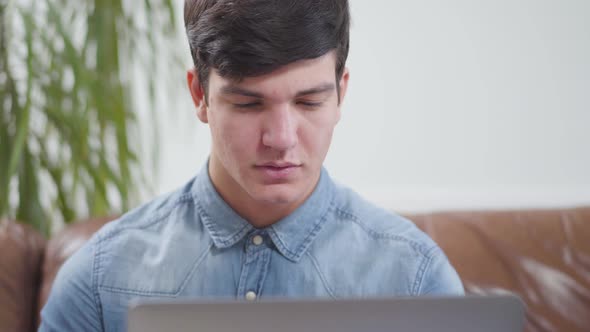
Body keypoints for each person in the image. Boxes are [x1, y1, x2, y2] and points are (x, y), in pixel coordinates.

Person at [39, 0, 464, 331]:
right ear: (199, 95)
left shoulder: (416, 277)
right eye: (248, 103)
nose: (280, 138)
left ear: (341, 94)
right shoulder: (99, 278)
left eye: (309, 102)